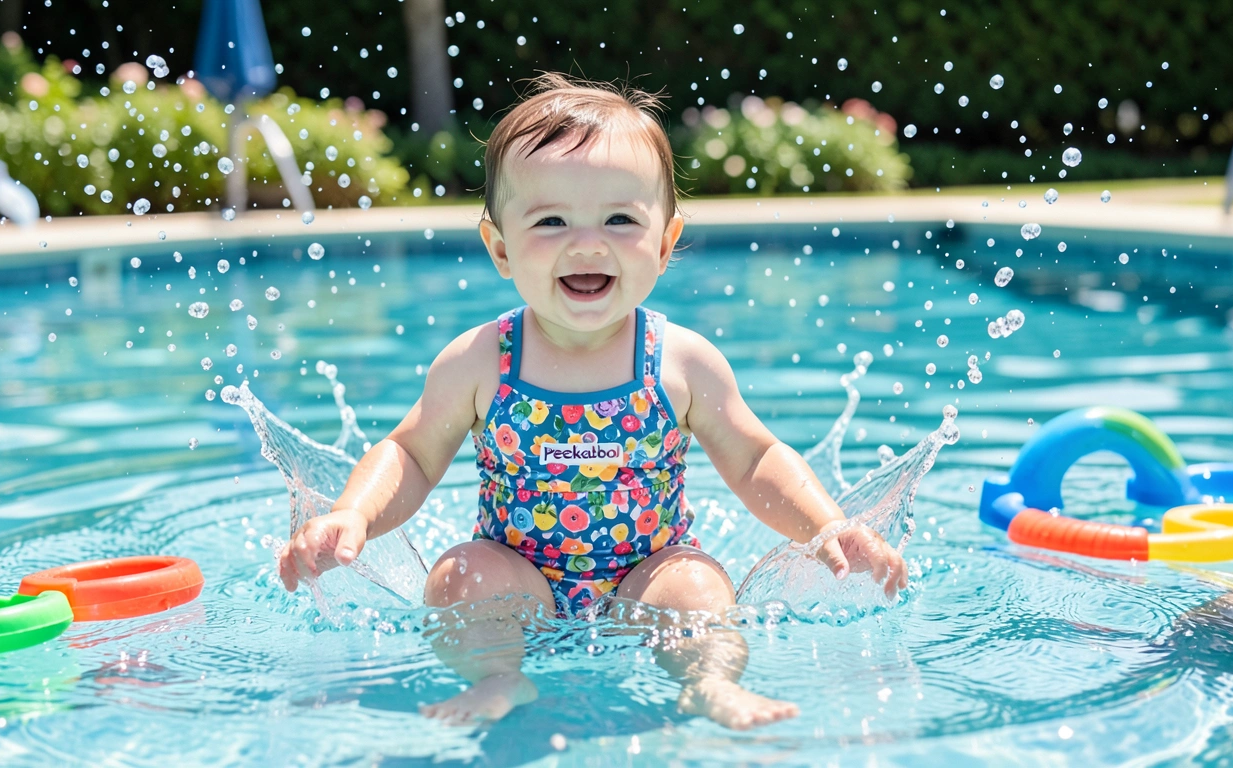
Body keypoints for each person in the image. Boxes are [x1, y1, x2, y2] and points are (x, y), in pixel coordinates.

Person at [278, 72, 908, 730]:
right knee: (459, 578)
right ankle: (500, 675)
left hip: (648, 570)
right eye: (550, 220)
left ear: (665, 244)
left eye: (620, 219)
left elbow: (755, 459)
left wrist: (827, 525)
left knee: (698, 588)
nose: (587, 242)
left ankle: (707, 679)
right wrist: (353, 514)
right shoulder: (480, 361)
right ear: (500, 247)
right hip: (519, 573)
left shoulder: (680, 361)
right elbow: (409, 452)